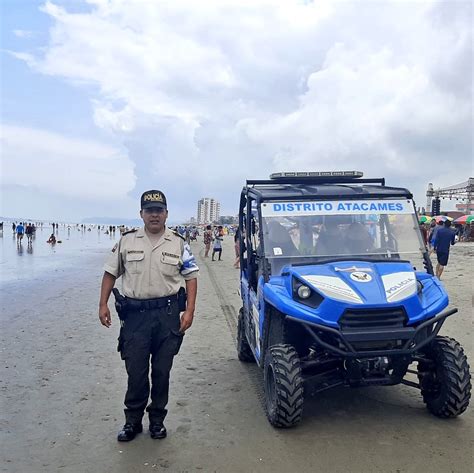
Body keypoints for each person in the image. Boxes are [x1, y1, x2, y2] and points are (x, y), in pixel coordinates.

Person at [98, 190, 199, 442]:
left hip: (167, 316)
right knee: (136, 371)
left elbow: (191, 277)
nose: (154, 215)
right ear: (141, 214)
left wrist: (190, 310)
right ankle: (132, 421)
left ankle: (157, 421)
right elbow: (111, 273)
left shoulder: (178, 243)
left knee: (162, 371)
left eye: (159, 210)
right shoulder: (127, 241)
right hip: (136, 318)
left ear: (166, 214)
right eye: (149, 210)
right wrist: (103, 304)